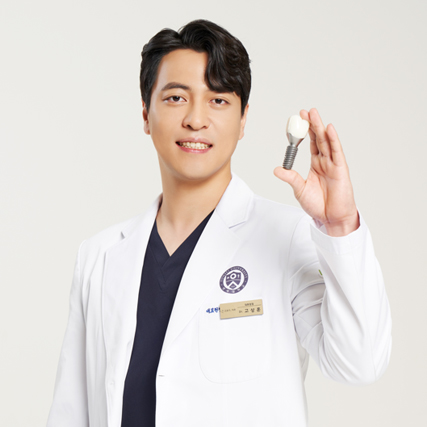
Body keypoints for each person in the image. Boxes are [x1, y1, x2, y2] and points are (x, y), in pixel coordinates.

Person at [46, 19, 392, 427]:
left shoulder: (289, 236)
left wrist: (341, 227)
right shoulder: (99, 256)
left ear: (244, 120)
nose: (196, 119)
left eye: (218, 100)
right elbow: (71, 412)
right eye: (176, 97)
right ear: (145, 113)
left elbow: (359, 362)